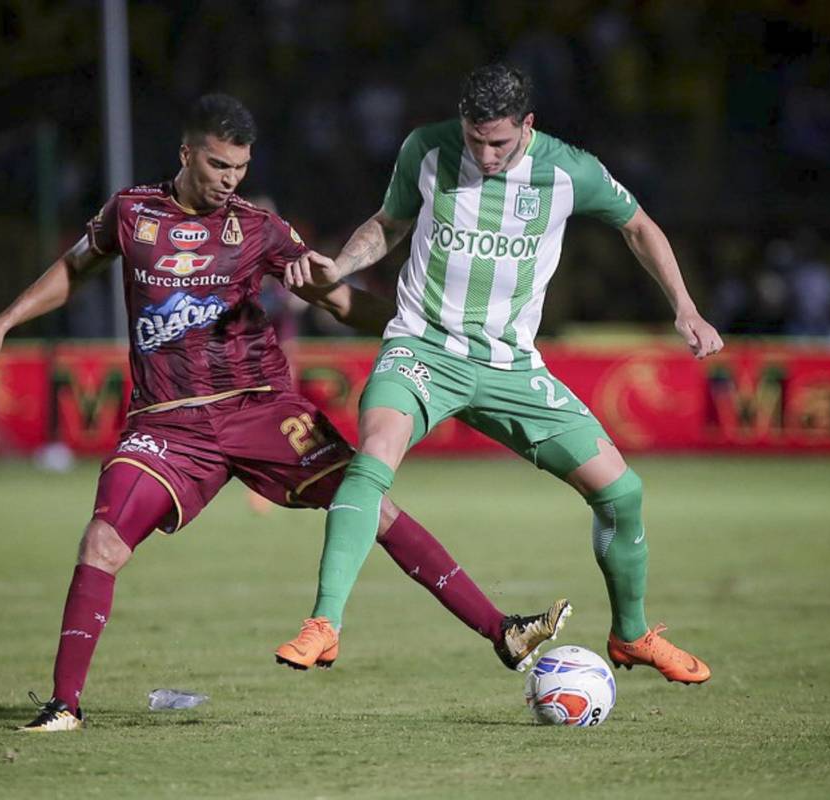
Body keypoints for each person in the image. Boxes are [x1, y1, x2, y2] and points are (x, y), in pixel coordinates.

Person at [0, 94, 571, 732]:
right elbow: (75, 268)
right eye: (218, 165)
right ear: (186, 153)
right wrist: (3, 322)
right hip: (168, 423)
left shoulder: (258, 229)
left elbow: (336, 300)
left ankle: (501, 630)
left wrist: (420, 332)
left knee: (371, 504)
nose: (230, 180)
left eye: (239, 168)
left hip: (262, 410)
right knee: (102, 542)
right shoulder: (132, 212)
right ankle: (65, 706)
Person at [279, 65, 723, 684]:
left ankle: (632, 635)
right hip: (422, 348)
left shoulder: (571, 171)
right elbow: (389, 223)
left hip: (512, 364)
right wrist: (342, 266)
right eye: (475, 139)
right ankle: (323, 625)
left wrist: (686, 307)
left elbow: (639, 227)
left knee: (622, 493)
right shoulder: (425, 149)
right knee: (372, 458)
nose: (485, 154)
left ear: (528, 127)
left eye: (501, 143)